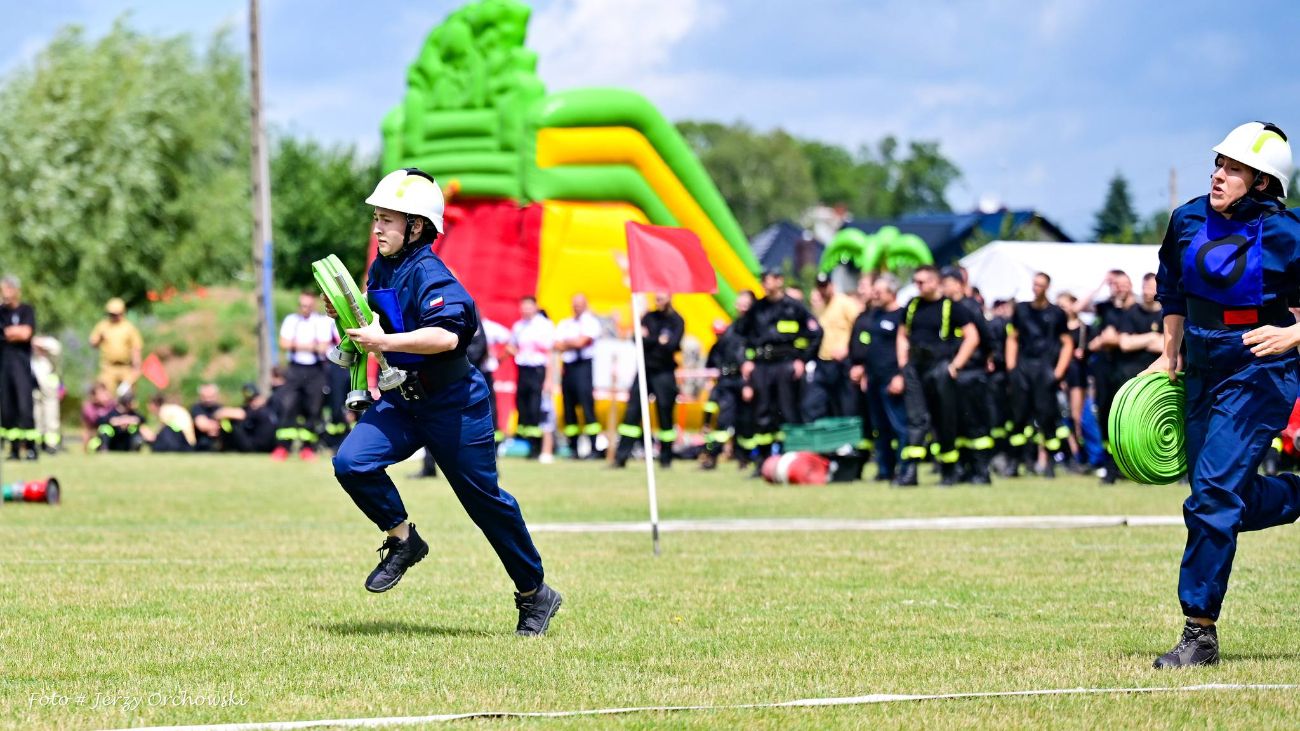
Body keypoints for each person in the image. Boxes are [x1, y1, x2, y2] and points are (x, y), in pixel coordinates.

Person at [329, 168, 560, 636]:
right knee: (351, 464)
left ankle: (536, 593)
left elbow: (446, 335)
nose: (377, 228)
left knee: (486, 505)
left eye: (387, 220)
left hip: (454, 406)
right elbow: (384, 317)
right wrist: (352, 316)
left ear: (417, 226)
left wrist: (383, 341)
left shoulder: (433, 274)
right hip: (402, 400)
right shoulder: (382, 265)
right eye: (376, 218)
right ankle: (402, 540)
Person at [1147, 121, 1300, 668]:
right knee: (1216, 493)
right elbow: (1171, 286)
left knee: (1212, 496)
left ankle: (1199, 632)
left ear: (1262, 182)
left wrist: (1293, 334)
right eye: (1218, 163)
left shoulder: (1289, 232)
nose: (1218, 174)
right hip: (1201, 365)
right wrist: (1170, 353)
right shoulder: (1187, 218)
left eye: (1233, 168)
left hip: (1260, 365)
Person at [895, 265, 978, 487]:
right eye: (916, 282)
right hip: (915, 368)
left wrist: (955, 365)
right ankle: (910, 472)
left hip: (939, 368)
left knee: (945, 419)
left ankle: (949, 471)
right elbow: (902, 335)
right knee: (916, 419)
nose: (918, 286)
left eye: (922, 282)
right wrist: (903, 364)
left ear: (934, 282)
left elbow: (972, 336)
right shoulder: (912, 306)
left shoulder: (951, 307)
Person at [735, 270, 822, 471]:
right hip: (762, 366)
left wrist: (802, 360)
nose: (765, 284)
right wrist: (745, 361)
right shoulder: (757, 309)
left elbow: (815, 334)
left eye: (769, 280)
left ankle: (789, 460)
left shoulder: (794, 308)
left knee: (787, 411)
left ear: (780, 281)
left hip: (786, 365)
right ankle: (763, 462)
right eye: (763, 281)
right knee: (762, 413)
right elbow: (740, 336)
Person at [1005, 272, 1072, 478]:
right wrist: (1012, 367)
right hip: (1023, 368)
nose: (1037, 288)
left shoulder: (1057, 314)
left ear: (1047, 287)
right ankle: (1016, 462)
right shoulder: (1022, 310)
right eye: (1035, 284)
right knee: (1019, 417)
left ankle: (1050, 464)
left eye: (1041, 285)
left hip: (1045, 369)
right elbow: (1012, 338)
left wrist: (1058, 372)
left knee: (1047, 416)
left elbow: (1067, 343)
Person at [614, 293, 685, 468]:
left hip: (664, 373)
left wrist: (650, 339)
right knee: (632, 413)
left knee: (665, 415)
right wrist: (657, 340)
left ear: (670, 297)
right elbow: (636, 339)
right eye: (657, 297)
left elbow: (671, 345)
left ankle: (666, 458)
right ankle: (621, 457)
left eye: (662, 297)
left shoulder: (676, 320)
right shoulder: (649, 317)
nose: (658, 300)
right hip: (645, 371)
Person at [849, 274, 906, 482]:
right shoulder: (874, 316)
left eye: (879, 292)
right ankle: (885, 470)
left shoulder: (901, 316)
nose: (875, 295)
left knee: (899, 427)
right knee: (880, 429)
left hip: (892, 379)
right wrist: (863, 369)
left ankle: (904, 469)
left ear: (891, 293)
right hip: (873, 380)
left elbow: (904, 350)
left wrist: (900, 376)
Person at [941, 267, 994, 484]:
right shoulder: (947, 308)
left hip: (972, 372)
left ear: (957, 283)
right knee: (959, 424)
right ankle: (964, 468)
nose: (943, 288)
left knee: (975, 423)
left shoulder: (970, 307)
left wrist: (987, 359)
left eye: (946, 283)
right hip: (955, 374)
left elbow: (987, 337)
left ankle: (981, 471)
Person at [1088, 270, 1138, 483]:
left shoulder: (1136, 310)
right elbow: (1079, 308)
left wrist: (1111, 340)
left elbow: (1123, 340)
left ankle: (1128, 464)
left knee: (1128, 417)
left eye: (1124, 284)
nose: (1120, 288)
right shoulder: (1105, 307)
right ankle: (1111, 463)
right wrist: (1101, 284)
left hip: (1126, 369)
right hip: (1105, 370)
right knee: (1106, 415)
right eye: (1116, 284)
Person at [272, 291, 333, 461]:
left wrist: (296, 344)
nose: (304, 309)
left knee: (313, 409)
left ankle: (308, 448)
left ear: (313, 306)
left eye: (308, 305)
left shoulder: (321, 322)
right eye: (302, 305)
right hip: (295, 369)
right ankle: (284, 446)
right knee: (288, 405)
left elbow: (322, 348)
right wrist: (310, 345)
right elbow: (284, 343)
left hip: (315, 370)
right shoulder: (291, 321)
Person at [701, 290, 755, 470]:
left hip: (746, 381)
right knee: (723, 422)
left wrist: (749, 383)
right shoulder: (732, 328)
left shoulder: (756, 328)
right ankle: (711, 456)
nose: (741, 306)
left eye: (745, 303)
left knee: (746, 422)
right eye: (739, 303)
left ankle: (745, 459)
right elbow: (721, 354)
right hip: (728, 380)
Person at [805, 272, 862, 421]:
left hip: (842, 361)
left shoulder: (845, 303)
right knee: (815, 402)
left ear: (832, 285)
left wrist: (848, 348)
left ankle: (849, 441)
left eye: (825, 286)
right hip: (823, 361)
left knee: (846, 403)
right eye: (820, 287)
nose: (823, 290)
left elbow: (859, 327)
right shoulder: (820, 307)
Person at [555, 293, 603, 458]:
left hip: (583, 367)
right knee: (569, 408)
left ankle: (594, 448)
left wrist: (568, 342)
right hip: (568, 368)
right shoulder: (565, 323)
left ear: (586, 304)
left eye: (580, 304)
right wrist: (572, 342)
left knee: (587, 406)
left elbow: (582, 342)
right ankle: (573, 447)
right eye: (575, 304)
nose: (577, 307)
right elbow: (556, 344)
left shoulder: (591, 322)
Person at [508, 296, 554, 459]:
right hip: (523, 369)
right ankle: (527, 444)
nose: (526, 310)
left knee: (536, 407)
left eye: (529, 307)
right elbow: (512, 345)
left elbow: (550, 354)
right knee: (523, 406)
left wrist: (549, 379)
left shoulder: (544, 325)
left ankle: (538, 446)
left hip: (538, 370)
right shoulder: (518, 326)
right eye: (523, 307)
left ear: (535, 307)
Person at [0, 276, 38, 460]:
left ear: (16, 290)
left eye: (6, 289)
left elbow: (26, 333)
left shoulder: (27, 310)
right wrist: (15, 332)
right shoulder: (1, 312)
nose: (3, 294)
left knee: (25, 406)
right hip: (4, 366)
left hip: (21, 366)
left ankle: (31, 448)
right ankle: (14, 449)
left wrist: (10, 333)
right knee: (7, 408)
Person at [1056, 292, 1090, 470]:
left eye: (1065, 305)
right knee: (1064, 416)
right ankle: (1072, 453)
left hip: (1078, 376)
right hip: (1062, 376)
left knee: (1077, 417)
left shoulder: (1084, 328)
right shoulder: (1057, 328)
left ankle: (1082, 454)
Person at [89, 297, 142, 395]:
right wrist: (100, 338)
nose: (114, 316)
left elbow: (136, 348)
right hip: (108, 367)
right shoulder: (103, 326)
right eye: (111, 314)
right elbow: (93, 343)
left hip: (126, 367)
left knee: (128, 396)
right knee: (106, 396)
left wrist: (137, 367)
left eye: (116, 314)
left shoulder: (128, 327)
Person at [30, 335, 63, 454]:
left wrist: (40, 343)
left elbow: (56, 348)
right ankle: (38, 442)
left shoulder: (50, 344)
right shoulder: (32, 354)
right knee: (36, 414)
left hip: (49, 385)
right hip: (35, 385)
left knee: (51, 415)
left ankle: (51, 444)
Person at [190, 383, 229, 453]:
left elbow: (227, 427)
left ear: (216, 395)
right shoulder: (196, 408)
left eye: (211, 396)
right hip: (202, 443)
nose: (208, 400)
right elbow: (202, 425)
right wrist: (217, 425)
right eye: (205, 397)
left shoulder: (220, 408)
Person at [81, 382, 115, 452]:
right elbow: (87, 429)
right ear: (94, 396)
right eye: (101, 394)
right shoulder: (89, 408)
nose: (105, 396)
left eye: (105, 393)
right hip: (98, 437)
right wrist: (85, 447)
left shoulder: (113, 405)